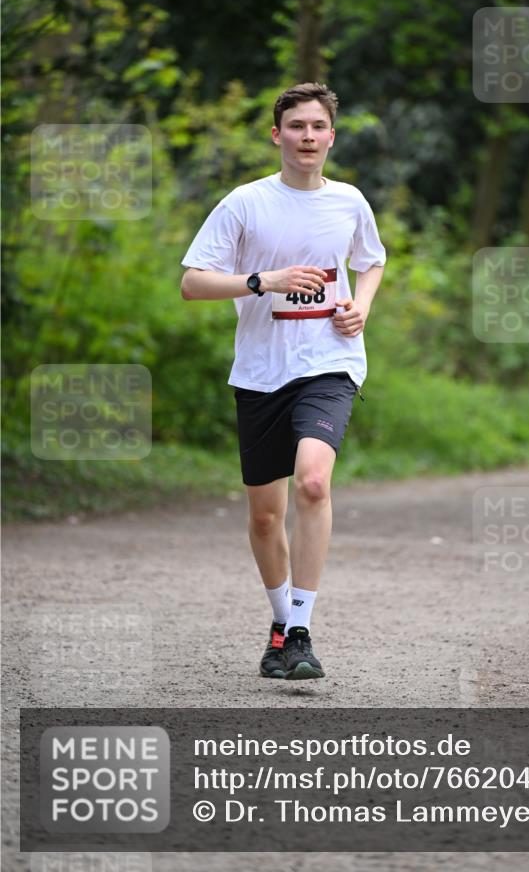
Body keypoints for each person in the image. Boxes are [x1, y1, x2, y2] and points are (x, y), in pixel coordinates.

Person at [180, 82, 386, 680]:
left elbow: (371, 260)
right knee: (266, 516)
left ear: (331, 136)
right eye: (296, 126)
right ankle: (278, 623)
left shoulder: (349, 201)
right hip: (262, 372)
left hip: (331, 362)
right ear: (278, 135)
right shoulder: (245, 203)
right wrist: (261, 282)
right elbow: (193, 282)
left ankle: (300, 630)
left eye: (317, 127)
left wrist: (362, 305)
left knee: (314, 483)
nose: (307, 137)